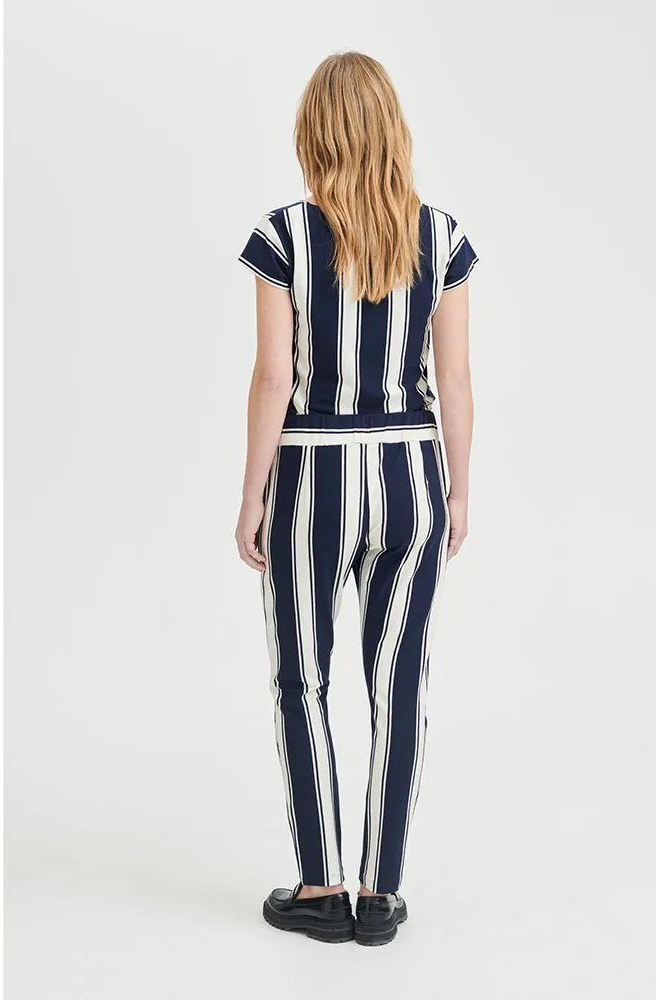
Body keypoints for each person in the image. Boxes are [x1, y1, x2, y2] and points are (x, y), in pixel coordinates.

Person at [234, 51, 477, 947]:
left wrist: (252, 496)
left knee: (303, 677)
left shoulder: (284, 237)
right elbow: (456, 379)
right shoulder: (440, 237)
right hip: (413, 474)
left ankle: (321, 883)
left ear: (314, 133)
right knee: (399, 681)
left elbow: (273, 378)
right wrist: (459, 491)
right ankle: (381, 894)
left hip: (314, 476)